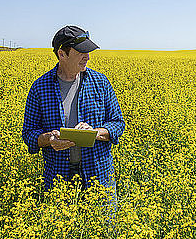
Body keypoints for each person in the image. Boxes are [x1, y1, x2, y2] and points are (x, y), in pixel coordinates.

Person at [22, 25, 125, 196]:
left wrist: (95, 132)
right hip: (58, 177)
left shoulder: (100, 82)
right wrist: (49, 139)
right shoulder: (39, 88)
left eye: (88, 51)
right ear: (62, 54)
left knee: (103, 222)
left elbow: (118, 124)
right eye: (81, 52)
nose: (87, 57)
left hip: (99, 175)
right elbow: (29, 133)